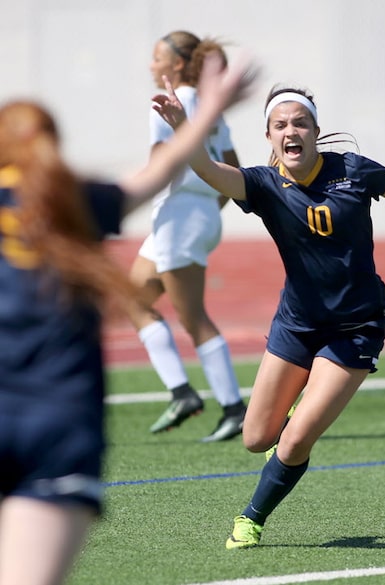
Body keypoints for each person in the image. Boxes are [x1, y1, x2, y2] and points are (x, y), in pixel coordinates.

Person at [152, 82, 385, 549]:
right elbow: (208, 170)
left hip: (355, 328)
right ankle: (293, 428)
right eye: (281, 125)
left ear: (316, 131)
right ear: (269, 137)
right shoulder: (263, 185)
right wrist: (183, 126)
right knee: (255, 438)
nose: (291, 131)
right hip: (297, 323)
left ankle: (252, 518)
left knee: (294, 440)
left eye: (300, 123)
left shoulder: (353, 171)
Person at [0, 53, 256, 585]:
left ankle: (215, 398)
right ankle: (204, 396)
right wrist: (210, 109)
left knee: (186, 312)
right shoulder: (76, 203)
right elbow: (158, 172)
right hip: (59, 431)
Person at [126, 30, 247, 441]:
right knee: (133, 298)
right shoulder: (211, 105)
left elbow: (163, 162)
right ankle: (181, 392)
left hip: (180, 215)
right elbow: (233, 165)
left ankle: (235, 409)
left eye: (157, 56)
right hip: (194, 213)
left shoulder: (170, 101)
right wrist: (208, 210)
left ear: (177, 64)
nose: (151, 64)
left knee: (192, 316)